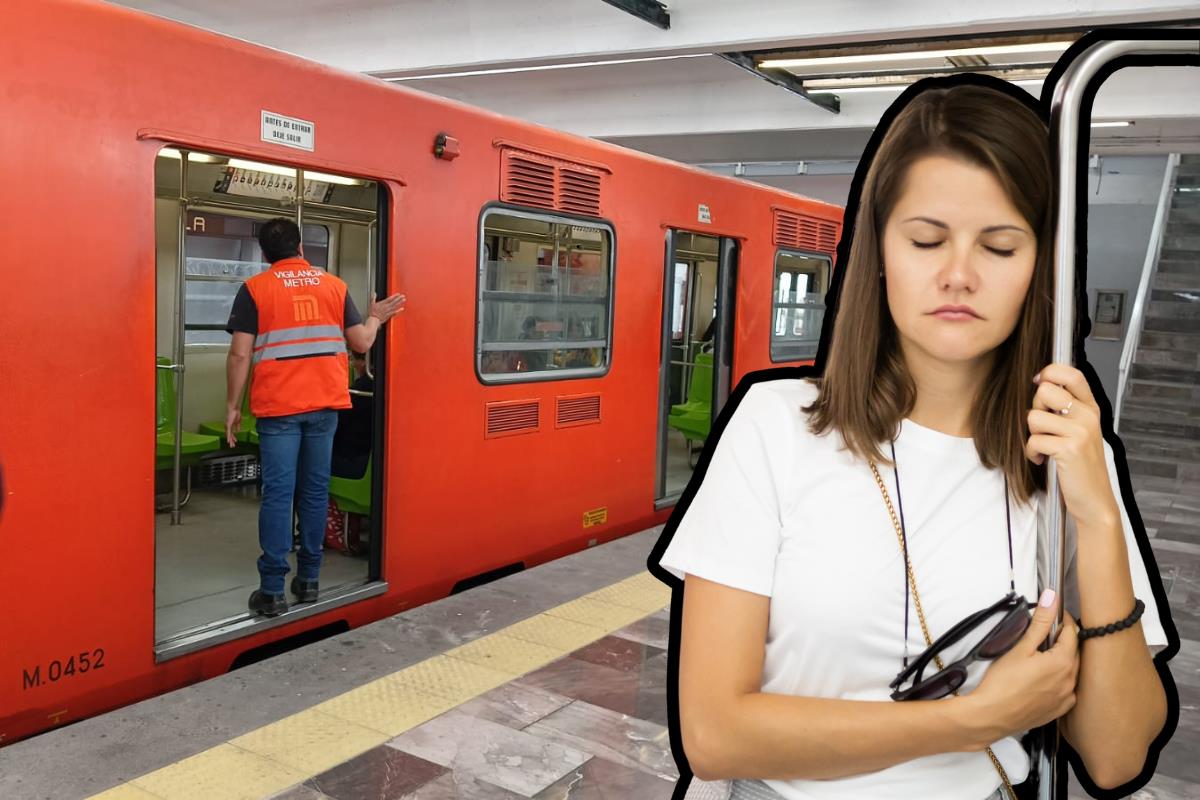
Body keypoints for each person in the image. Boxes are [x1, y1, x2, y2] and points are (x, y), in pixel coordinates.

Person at [655, 80, 1170, 800]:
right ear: (880, 252)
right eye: (926, 240)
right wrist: (976, 718)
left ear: (1041, 267)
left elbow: (1116, 757)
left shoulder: (1064, 455)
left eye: (999, 245)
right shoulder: (775, 428)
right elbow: (714, 735)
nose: (958, 274)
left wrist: (1100, 517)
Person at [225, 218, 404, 617]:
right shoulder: (333, 285)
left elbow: (239, 354)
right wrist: (376, 316)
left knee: (278, 495)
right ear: (301, 246)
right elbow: (361, 342)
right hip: (325, 407)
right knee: (314, 491)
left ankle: (271, 591)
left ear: (264, 253)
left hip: (280, 409)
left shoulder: (255, 289)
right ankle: (309, 581)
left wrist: (233, 407)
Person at [330, 350, 374, 480]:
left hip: (351, 461)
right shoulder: (387, 386)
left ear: (364, 362)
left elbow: (335, 428)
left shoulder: (357, 393)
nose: (352, 364)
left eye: (353, 360)